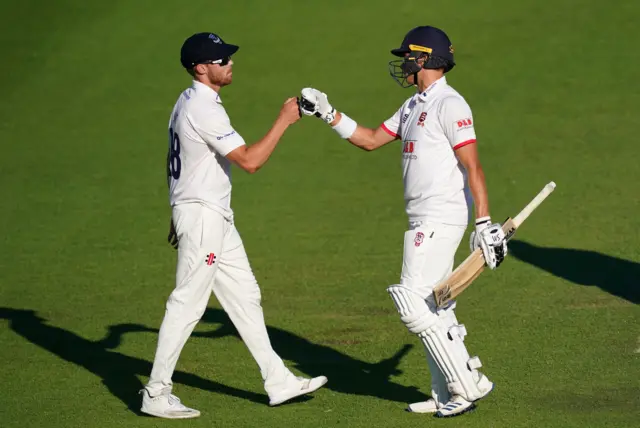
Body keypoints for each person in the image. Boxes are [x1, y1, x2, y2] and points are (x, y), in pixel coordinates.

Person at [298, 26, 506, 418]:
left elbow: (473, 166)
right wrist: (328, 113)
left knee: (411, 302)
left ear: (425, 58)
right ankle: (449, 389)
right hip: (422, 216)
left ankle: (465, 388)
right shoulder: (414, 105)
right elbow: (371, 139)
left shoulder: (450, 104)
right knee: (435, 304)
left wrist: (484, 223)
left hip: (441, 215)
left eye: (407, 56)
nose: (403, 63)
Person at [140, 32, 327, 419]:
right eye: (219, 59)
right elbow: (250, 161)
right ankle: (156, 393)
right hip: (204, 216)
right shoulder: (204, 108)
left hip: (210, 215)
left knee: (245, 296)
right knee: (187, 303)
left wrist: (177, 210)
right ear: (200, 68)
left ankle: (278, 380)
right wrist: (284, 121)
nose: (228, 63)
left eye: (227, 57)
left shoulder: (189, 101)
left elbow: (181, 161)